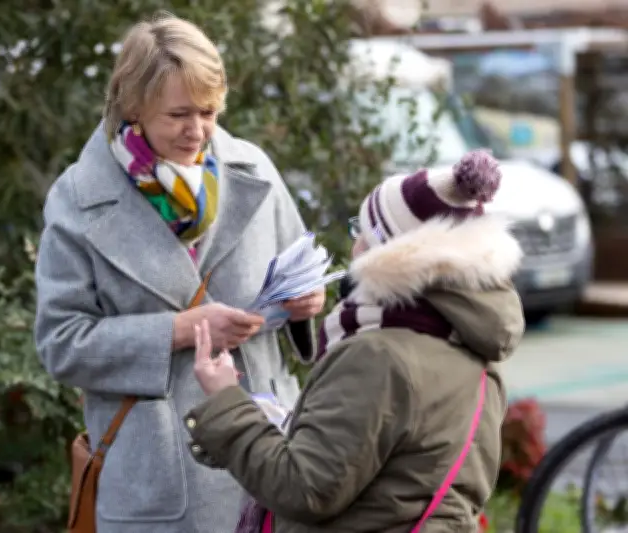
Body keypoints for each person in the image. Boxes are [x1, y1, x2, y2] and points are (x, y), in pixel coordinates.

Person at [33, 12, 324, 533]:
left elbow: (299, 269)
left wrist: (307, 306)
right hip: (158, 485)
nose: (197, 130)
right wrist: (179, 331)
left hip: (268, 462)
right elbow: (61, 342)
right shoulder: (78, 199)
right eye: (178, 114)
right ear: (133, 108)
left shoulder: (253, 167)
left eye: (209, 111)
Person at [184, 150, 527, 532]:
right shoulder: (472, 345)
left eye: (361, 232)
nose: (355, 245)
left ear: (386, 251)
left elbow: (304, 490)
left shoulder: (377, 356)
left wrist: (227, 401)